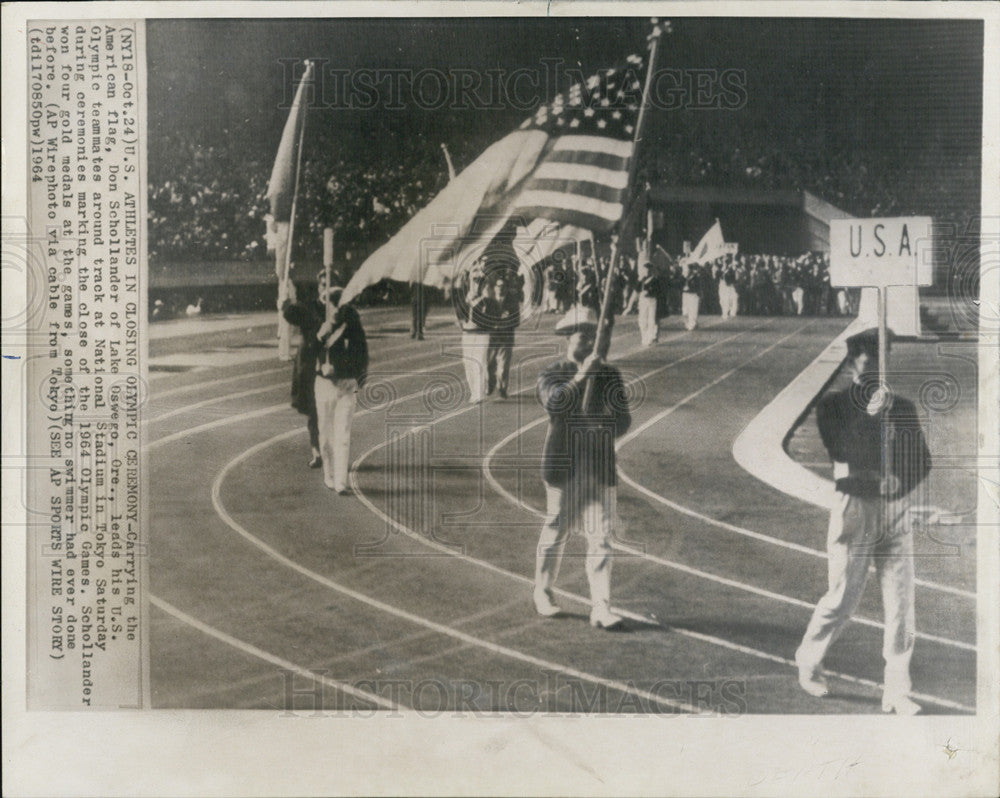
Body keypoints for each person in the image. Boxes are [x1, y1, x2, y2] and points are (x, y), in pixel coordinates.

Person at [794, 328, 931, 714]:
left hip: (894, 508)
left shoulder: (901, 406)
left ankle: (897, 690)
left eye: (882, 357)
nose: (876, 365)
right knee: (842, 598)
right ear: (853, 361)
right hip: (856, 509)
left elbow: (921, 459)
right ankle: (808, 659)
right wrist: (873, 415)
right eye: (869, 358)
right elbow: (842, 450)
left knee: (902, 604)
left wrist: (901, 479)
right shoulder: (832, 406)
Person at [533, 305, 632, 630]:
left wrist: (601, 421)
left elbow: (623, 422)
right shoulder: (552, 373)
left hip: (599, 465)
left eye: (593, 335)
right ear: (567, 338)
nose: (588, 341)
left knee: (601, 537)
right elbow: (556, 405)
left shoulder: (610, 375)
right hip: (563, 462)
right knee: (556, 529)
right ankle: (543, 591)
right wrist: (582, 377)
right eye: (581, 335)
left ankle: (601, 607)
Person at [314, 283, 369, 494]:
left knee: (343, 435)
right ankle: (328, 474)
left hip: (345, 386)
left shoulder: (352, 324)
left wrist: (354, 377)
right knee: (326, 436)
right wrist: (320, 338)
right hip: (324, 386)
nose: (332, 309)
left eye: (335, 305)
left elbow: (361, 353)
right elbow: (308, 351)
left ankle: (340, 481)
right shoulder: (320, 325)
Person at [281, 272, 327, 469]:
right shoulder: (311, 307)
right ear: (319, 287)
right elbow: (292, 314)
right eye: (323, 284)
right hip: (310, 366)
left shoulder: (341, 309)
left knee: (330, 413)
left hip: (332, 367)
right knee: (314, 412)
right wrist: (286, 301)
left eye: (330, 285)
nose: (326, 289)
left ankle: (329, 451)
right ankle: (317, 451)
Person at [456, 261, 499, 404]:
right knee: (467, 362)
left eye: (478, 282)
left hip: (482, 334)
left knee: (478, 362)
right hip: (467, 334)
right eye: (473, 281)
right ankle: (474, 392)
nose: (475, 284)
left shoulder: (488, 300)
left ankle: (479, 394)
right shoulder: (464, 298)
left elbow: (495, 316)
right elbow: (459, 314)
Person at [485, 272, 520, 399]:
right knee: (489, 364)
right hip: (492, 337)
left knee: (503, 365)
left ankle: (502, 388)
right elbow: (485, 318)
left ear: (506, 288)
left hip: (506, 336)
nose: (500, 288)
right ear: (494, 288)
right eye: (498, 286)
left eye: (503, 286)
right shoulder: (489, 301)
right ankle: (491, 383)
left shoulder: (512, 302)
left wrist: (505, 323)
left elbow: (516, 320)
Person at [636, 259, 660, 346]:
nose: (647, 271)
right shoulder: (641, 279)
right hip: (643, 301)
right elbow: (637, 289)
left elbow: (657, 291)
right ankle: (644, 337)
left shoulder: (655, 280)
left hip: (651, 300)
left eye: (648, 269)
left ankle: (650, 338)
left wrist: (649, 292)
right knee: (642, 320)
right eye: (645, 269)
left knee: (651, 320)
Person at [681, 262, 701, 330]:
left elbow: (697, 286)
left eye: (688, 269)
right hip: (686, 294)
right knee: (685, 310)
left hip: (693, 295)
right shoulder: (685, 277)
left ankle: (692, 324)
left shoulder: (695, 276)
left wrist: (689, 287)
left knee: (693, 310)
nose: (686, 270)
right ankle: (688, 323)